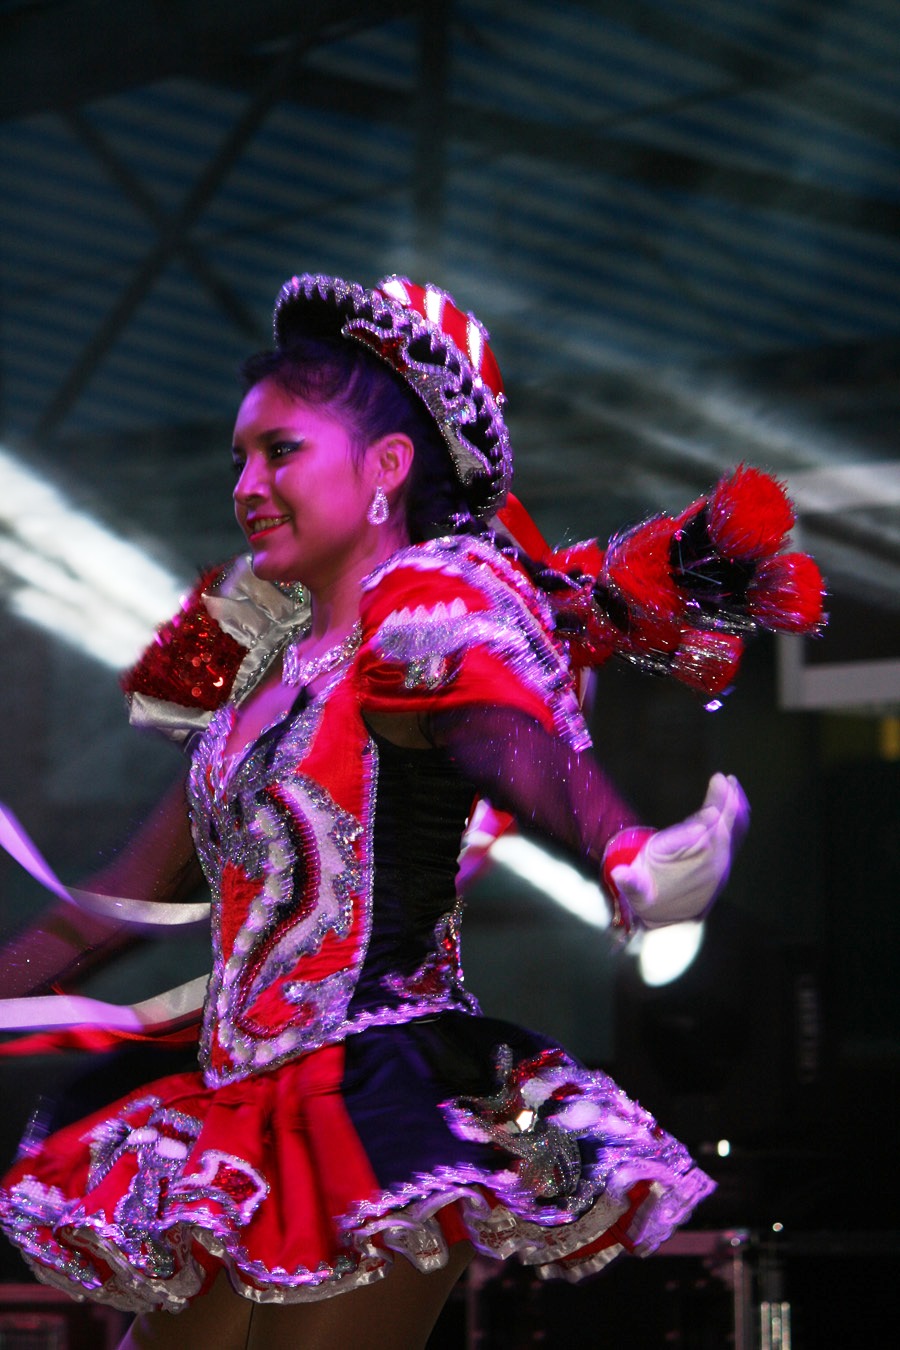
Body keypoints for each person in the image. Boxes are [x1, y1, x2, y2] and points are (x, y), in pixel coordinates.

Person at [0, 273, 820, 1350]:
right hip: (241, 1122)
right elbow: (102, 911)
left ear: (387, 467)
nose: (246, 484)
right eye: (238, 456)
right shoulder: (257, 687)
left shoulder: (430, 621)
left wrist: (623, 847)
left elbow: (505, 735)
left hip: (379, 1113)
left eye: (281, 451)